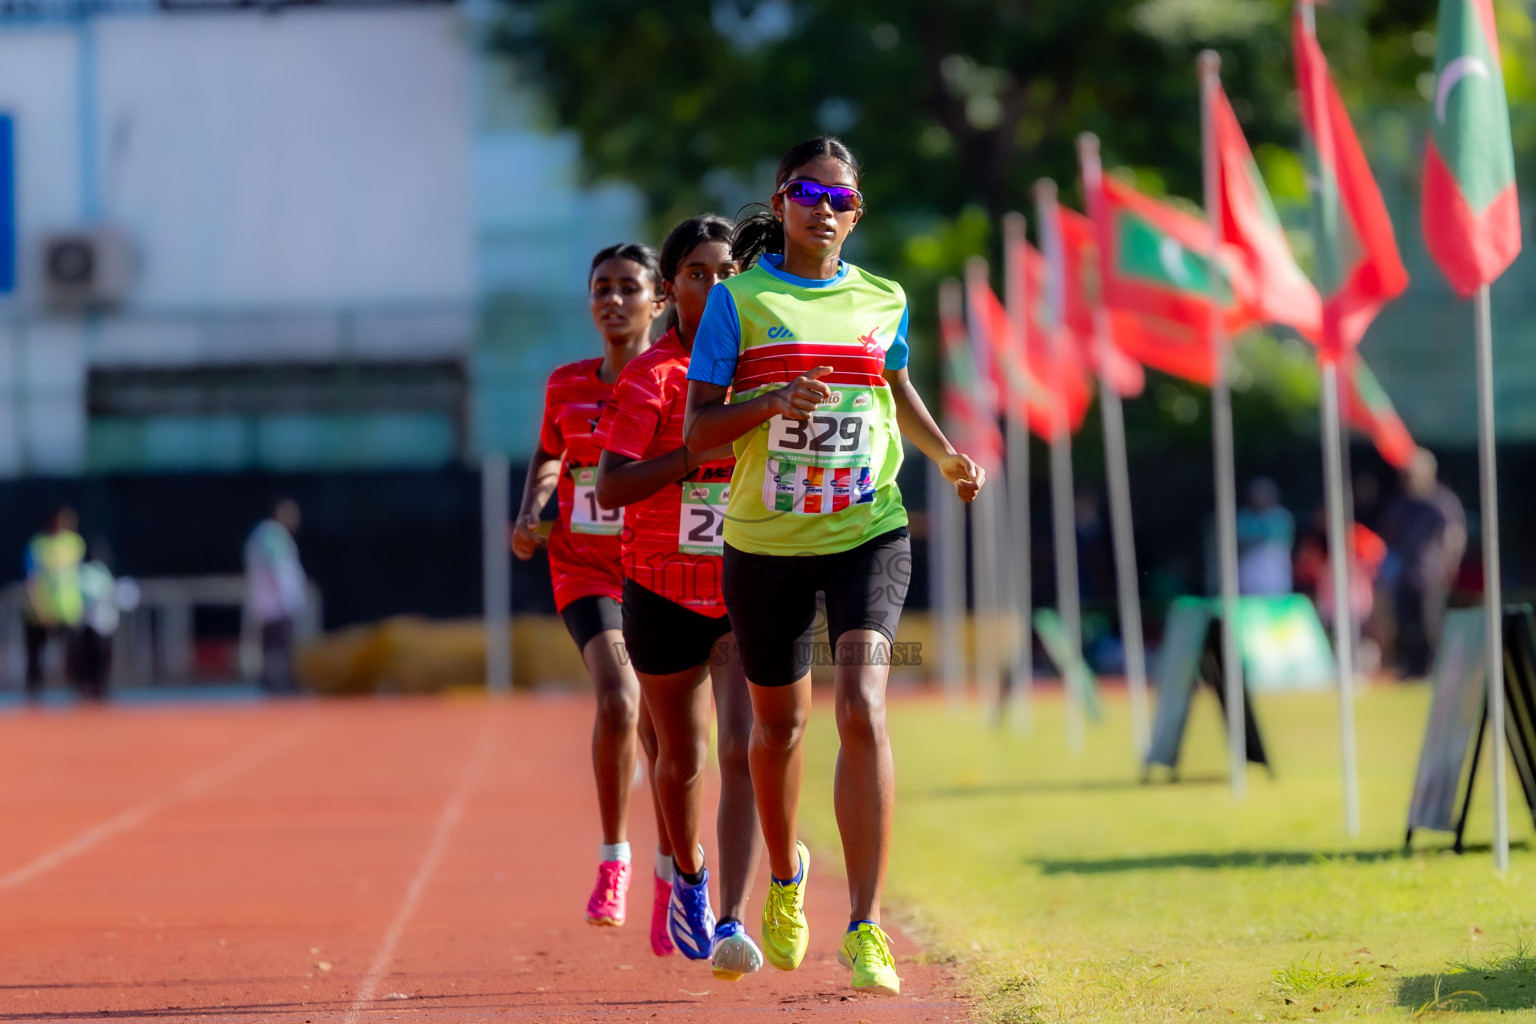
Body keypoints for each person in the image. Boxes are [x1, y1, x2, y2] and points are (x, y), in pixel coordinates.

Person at [683, 137, 984, 996]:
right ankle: (786, 879)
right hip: (766, 542)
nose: (825, 208)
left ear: (858, 212)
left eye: (842, 198)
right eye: (808, 192)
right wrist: (770, 401)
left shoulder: (883, 298)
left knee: (863, 705)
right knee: (778, 731)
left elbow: (894, 386)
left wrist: (948, 454)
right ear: (780, 201)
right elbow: (698, 430)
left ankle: (867, 926)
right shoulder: (738, 302)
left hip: (868, 529)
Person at [592, 215, 764, 979]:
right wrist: (688, 456)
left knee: (745, 746)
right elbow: (612, 484)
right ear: (673, 290)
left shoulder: (760, 369)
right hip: (660, 588)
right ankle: (687, 879)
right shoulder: (648, 379)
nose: (715, 286)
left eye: (728, 271)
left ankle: (732, 915)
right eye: (697, 273)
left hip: (748, 579)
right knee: (683, 756)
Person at [511, 243, 675, 954]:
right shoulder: (566, 385)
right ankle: (616, 863)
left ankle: (677, 878)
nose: (613, 300)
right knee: (618, 695)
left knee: (669, 736)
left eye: (628, 288)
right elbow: (550, 454)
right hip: (584, 565)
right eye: (601, 288)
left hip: (661, 566)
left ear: (657, 301)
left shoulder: (678, 381)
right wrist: (530, 512)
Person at [1383, 448, 1466, 678]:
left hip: (1431, 574)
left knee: (1430, 625)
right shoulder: (1402, 504)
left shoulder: (1442, 501)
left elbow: (1454, 535)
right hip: (1405, 574)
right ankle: (1413, 669)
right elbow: (1392, 538)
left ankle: (1435, 669)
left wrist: (1451, 564)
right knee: (1407, 626)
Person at [22, 507, 85, 701]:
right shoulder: (38, 545)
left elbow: (76, 576)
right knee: (36, 654)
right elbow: (31, 578)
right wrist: (39, 607)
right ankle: (34, 691)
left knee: (74, 651)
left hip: (68, 609)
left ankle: (78, 687)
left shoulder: (74, 543)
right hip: (40, 609)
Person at [245, 498, 306, 694]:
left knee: (271, 645)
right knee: (279, 646)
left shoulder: (263, 534)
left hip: (269, 603)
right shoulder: (273, 535)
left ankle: (272, 681)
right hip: (277, 603)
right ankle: (279, 683)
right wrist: (285, 599)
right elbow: (277, 569)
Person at [75, 539, 139, 701]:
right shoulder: (84, 572)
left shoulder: (101, 571)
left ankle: (99, 687)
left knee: (100, 658)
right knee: (91, 658)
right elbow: (88, 595)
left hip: (103, 623)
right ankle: (89, 687)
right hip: (89, 624)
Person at [1236, 477, 1294, 596]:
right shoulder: (1244, 517)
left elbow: (1278, 539)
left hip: (1275, 579)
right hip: (1248, 578)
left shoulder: (1281, 516)